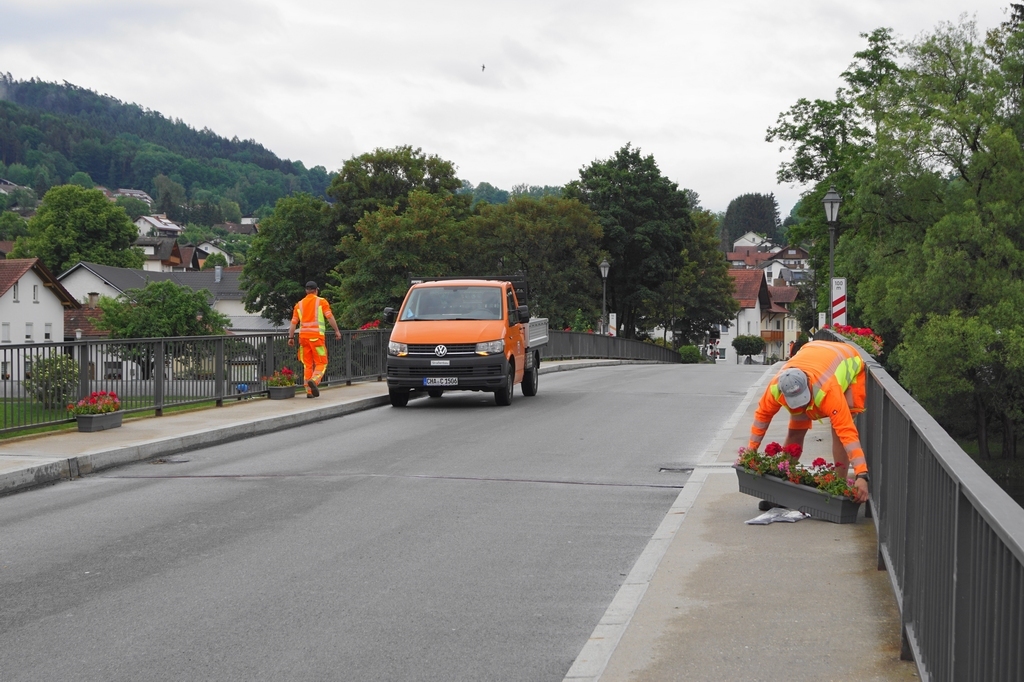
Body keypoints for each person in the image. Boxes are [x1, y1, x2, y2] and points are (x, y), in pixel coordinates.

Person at [747, 339, 870, 504]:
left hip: (848, 359)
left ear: (808, 385)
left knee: (839, 432)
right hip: (813, 352)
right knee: (795, 431)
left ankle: (839, 489)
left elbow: (848, 434)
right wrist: (750, 452)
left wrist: (861, 475)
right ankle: (781, 489)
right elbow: (761, 419)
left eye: (802, 399)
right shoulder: (776, 387)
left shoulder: (828, 391)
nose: (802, 405)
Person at [288, 281, 342, 398]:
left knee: (307, 365)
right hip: (316, 338)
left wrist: (291, 337)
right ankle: (314, 380)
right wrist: (337, 331)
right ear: (316, 290)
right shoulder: (321, 302)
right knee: (322, 362)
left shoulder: (299, 304)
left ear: (306, 291)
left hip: (303, 339)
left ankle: (309, 391)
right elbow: (329, 317)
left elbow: (293, 323)